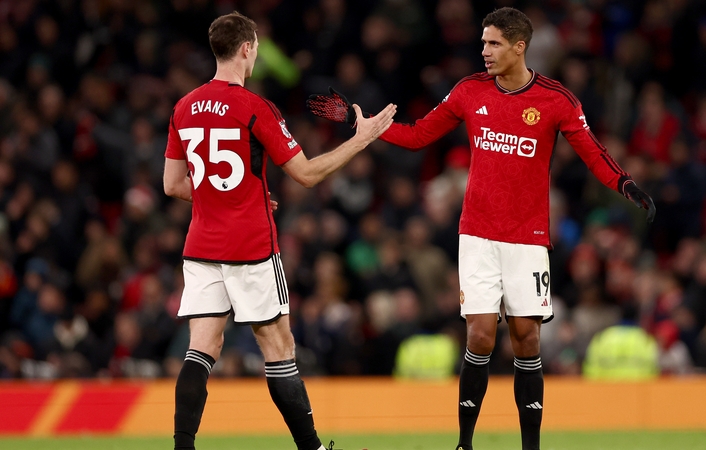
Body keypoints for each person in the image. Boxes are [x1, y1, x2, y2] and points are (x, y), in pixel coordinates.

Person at [307, 7, 654, 450]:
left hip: (528, 238)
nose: (484, 51)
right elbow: (416, 135)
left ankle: (531, 446)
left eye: (493, 43)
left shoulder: (556, 100)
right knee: (480, 334)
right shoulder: (469, 91)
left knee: (527, 339)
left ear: (519, 46)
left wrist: (625, 184)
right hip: (478, 234)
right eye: (483, 43)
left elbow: (592, 152)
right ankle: (464, 443)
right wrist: (365, 126)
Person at [163, 11, 395, 450]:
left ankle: (182, 447)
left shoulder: (184, 106)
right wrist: (362, 139)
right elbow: (306, 174)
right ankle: (311, 449)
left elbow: (173, 185)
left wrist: (229, 195)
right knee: (279, 347)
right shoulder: (254, 107)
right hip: (250, 247)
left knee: (201, 349)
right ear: (248, 49)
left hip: (200, 247)